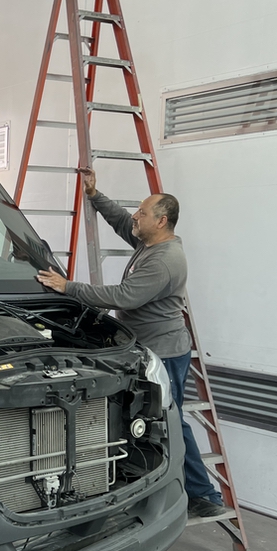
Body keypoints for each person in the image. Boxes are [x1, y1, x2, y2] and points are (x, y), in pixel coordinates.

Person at [36, 167, 227, 521]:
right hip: (145, 346)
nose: (135, 216)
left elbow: (124, 296)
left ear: (162, 221)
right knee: (144, 418)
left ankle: (203, 496)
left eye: (143, 212)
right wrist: (94, 195)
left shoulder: (165, 260)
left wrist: (68, 287)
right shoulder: (148, 242)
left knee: (170, 422)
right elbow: (122, 222)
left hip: (164, 352)